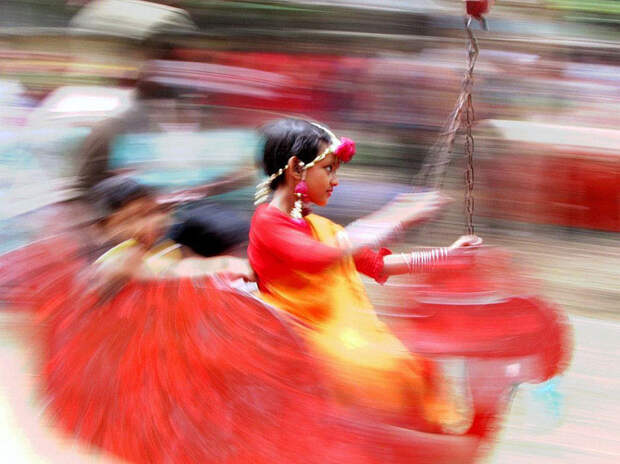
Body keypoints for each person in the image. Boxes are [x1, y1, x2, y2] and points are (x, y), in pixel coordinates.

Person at [248, 118, 481, 433]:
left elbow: (377, 265)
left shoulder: (320, 227)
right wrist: (393, 218)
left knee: (417, 362)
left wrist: (447, 255)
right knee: (388, 371)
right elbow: (319, 257)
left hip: (337, 337)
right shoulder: (268, 222)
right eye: (328, 169)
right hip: (301, 345)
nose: (335, 180)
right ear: (295, 168)